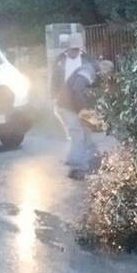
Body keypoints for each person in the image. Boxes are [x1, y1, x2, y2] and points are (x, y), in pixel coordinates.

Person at [51, 34, 96, 179]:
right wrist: (54, 96)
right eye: (72, 49)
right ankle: (77, 166)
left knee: (85, 132)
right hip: (67, 101)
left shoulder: (88, 60)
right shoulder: (60, 60)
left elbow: (90, 85)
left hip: (79, 100)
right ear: (67, 48)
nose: (74, 52)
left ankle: (87, 160)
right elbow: (54, 80)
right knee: (76, 134)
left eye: (77, 49)